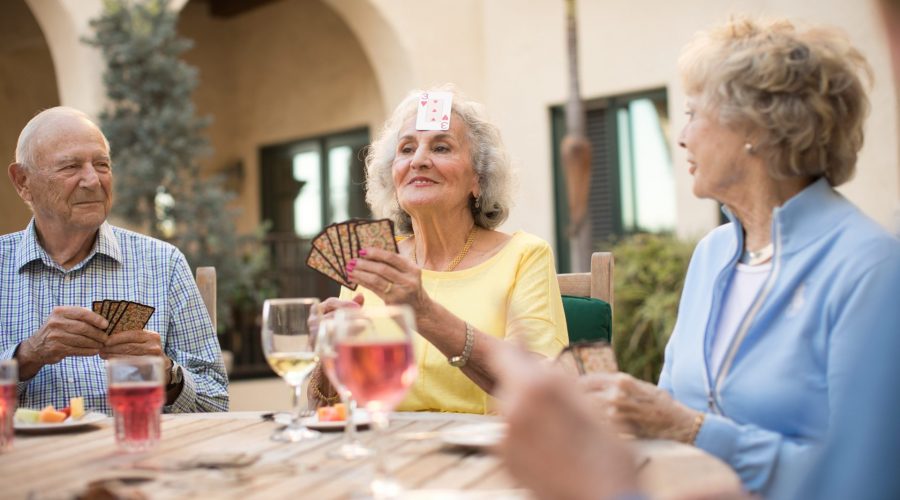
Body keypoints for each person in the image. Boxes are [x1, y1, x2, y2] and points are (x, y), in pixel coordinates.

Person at [498, 16, 900, 499]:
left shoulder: (869, 268)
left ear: (754, 127)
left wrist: (691, 428)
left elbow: (864, 481)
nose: (682, 136)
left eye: (692, 113)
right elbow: (672, 404)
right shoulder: (714, 254)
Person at [310, 87, 568, 414]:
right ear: (393, 175)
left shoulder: (523, 256)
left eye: (441, 147)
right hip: (382, 453)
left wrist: (425, 313)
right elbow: (322, 406)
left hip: (483, 458)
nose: (418, 160)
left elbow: (542, 392)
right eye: (406, 149)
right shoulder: (373, 258)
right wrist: (329, 358)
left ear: (478, 178)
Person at [0, 107, 228, 414]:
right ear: (22, 181)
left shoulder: (164, 263)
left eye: (101, 164)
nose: (93, 180)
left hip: (136, 454)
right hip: (27, 459)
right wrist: (26, 356)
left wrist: (167, 374)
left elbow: (216, 402)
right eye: (70, 167)